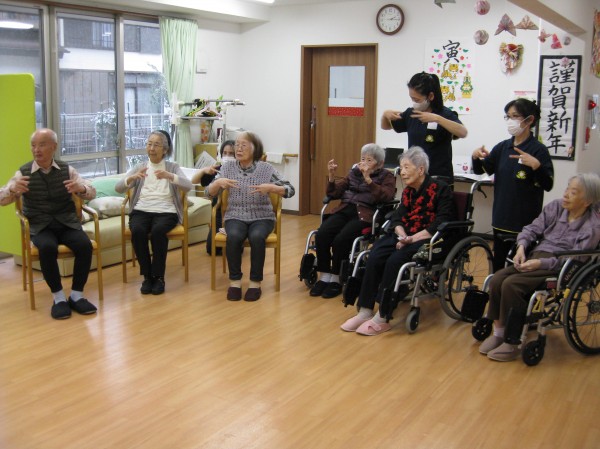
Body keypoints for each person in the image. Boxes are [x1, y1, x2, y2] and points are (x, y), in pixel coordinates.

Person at [478, 173, 600, 362]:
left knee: (511, 285)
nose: (566, 194)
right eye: (567, 188)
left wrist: (540, 263)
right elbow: (532, 228)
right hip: (535, 256)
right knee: (497, 279)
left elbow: (575, 259)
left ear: (587, 201)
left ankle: (513, 341)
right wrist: (521, 247)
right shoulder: (556, 207)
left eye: (573, 192)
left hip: (560, 267)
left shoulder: (592, 227)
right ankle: (499, 334)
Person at [340, 146, 454, 335]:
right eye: (401, 167)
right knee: (375, 254)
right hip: (405, 235)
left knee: (395, 261)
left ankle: (383, 315)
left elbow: (440, 223)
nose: (402, 172)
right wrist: (402, 235)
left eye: (406, 167)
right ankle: (365, 310)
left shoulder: (440, 189)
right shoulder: (408, 191)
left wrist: (411, 239)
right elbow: (398, 217)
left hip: (427, 238)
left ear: (421, 169)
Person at [0, 128, 98, 320]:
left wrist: (81, 188)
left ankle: (76, 295)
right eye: (33, 145)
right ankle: (59, 298)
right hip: (40, 225)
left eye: (42, 145)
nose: (36, 150)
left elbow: (92, 192)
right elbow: (1, 200)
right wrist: (11, 189)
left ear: (54, 147)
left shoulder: (67, 170)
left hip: (66, 223)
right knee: (47, 247)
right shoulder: (23, 172)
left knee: (84, 245)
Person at [207, 131, 295, 302]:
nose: (238, 148)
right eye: (237, 145)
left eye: (244, 145)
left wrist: (271, 188)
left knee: (256, 236)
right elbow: (208, 193)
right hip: (235, 215)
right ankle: (235, 282)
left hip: (262, 216)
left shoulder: (266, 168)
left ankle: (255, 283)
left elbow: (290, 190)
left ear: (255, 148)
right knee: (234, 235)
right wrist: (217, 183)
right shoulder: (227, 168)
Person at [471, 98, 554, 272]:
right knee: (498, 267)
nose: (510, 120)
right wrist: (475, 157)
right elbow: (482, 169)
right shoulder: (502, 147)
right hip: (501, 217)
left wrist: (536, 166)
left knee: (518, 268)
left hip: (525, 222)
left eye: (515, 116)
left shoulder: (538, 150)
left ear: (529, 120)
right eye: (508, 116)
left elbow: (548, 184)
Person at [309, 143, 396, 299]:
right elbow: (334, 193)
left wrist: (368, 179)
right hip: (345, 209)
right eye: (363, 159)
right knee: (322, 234)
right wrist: (331, 176)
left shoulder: (386, 177)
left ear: (380, 163)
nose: (364, 163)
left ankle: (336, 279)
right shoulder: (354, 172)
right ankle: (324, 276)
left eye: (369, 160)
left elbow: (386, 197)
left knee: (341, 239)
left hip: (365, 214)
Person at [115, 130, 192, 295]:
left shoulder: (172, 167)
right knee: (137, 230)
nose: (151, 148)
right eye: (149, 144)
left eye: (156, 145)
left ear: (165, 150)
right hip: (141, 209)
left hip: (166, 211)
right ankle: (147, 276)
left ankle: (159, 277)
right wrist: (131, 178)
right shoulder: (140, 167)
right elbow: (118, 188)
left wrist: (170, 176)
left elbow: (188, 186)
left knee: (158, 232)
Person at [381, 72, 468, 182]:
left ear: (430, 96)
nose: (414, 103)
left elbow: (463, 132)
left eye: (417, 100)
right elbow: (385, 126)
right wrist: (385, 115)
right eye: (412, 99)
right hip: (415, 177)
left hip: (438, 178)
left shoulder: (445, 114)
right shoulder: (411, 113)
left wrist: (437, 119)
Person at [191, 140, 236, 255]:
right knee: (211, 250)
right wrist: (203, 170)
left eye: (231, 153)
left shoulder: (240, 170)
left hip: (235, 214)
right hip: (218, 213)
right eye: (225, 153)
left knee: (233, 250)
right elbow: (194, 181)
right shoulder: (217, 169)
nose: (227, 156)